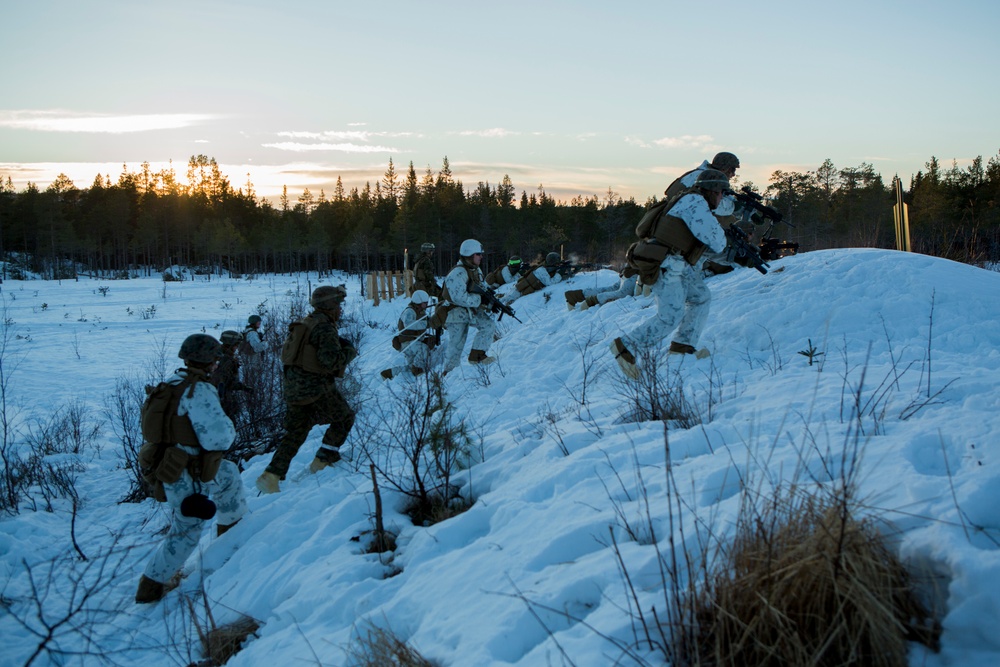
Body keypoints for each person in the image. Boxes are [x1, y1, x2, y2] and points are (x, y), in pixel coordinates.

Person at [135, 334, 247, 604]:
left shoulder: (171, 384)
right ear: (211, 361)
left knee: (228, 475)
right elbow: (219, 438)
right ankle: (150, 588)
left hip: (172, 465)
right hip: (186, 472)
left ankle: (232, 539)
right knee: (187, 531)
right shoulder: (199, 390)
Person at [610, 169, 730, 378]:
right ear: (712, 190)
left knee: (701, 297)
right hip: (666, 264)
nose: (722, 198)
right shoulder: (695, 204)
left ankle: (683, 347)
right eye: (721, 192)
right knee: (670, 316)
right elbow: (717, 242)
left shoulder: (690, 200)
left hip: (677, 263)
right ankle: (626, 347)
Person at [255, 285, 358, 494]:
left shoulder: (306, 322)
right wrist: (348, 351)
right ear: (329, 305)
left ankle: (272, 475)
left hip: (293, 387)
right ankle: (323, 459)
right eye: (338, 304)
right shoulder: (325, 328)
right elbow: (330, 362)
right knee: (344, 417)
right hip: (316, 387)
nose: (340, 309)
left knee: (296, 432)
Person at [440, 239, 497, 372]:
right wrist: (480, 300)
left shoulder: (475, 270)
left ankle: (477, 356)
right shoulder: (457, 273)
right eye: (478, 254)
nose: (481, 257)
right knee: (456, 347)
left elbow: (482, 287)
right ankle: (447, 374)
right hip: (455, 314)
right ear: (469, 254)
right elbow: (458, 298)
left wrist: (490, 300)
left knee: (488, 325)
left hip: (470, 311)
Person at [380, 290, 436, 379]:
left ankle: (389, 373)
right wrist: (427, 324)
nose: (426, 305)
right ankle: (418, 370)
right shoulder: (409, 311)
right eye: (424, 303)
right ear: (418, 302)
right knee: (423, 349)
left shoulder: (420, 312)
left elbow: (427, 321)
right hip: (407, 343)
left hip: (413, 342)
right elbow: (409, 325)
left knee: (410, 367)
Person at [565, 266, 640, 311]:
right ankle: (592, 300)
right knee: (621, 294)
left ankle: (577, 295)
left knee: (612, 289)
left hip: (629, 272)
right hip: (634, 273)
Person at [211, 330, 247, 420]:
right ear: (231, 344)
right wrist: (241, 387)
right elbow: (224, 382)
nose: (237, 347)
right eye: (236, 345)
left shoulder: (219, 355)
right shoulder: (225, 359)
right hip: (223, 399)